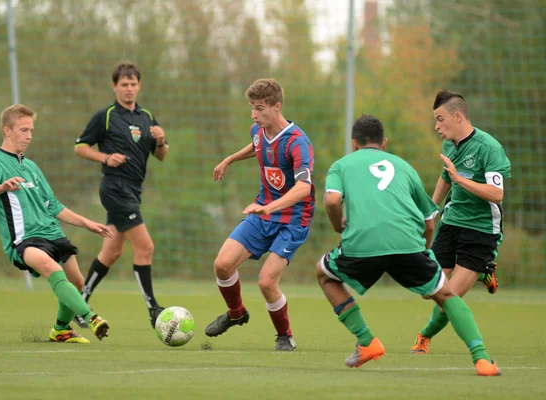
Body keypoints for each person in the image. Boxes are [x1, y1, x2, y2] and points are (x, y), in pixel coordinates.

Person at [316, 115, 501, 376]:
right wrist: (425, 251)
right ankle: (482, 359)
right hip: (408, 245)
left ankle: (366, 341)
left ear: (354, 143)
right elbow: (428, 222)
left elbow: (332, 201)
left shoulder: (341, 165)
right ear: (385, 143)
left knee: (324, 275)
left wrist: (338, 227)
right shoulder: (403, 167)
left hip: (361, 246)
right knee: (446, 295)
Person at [0, 104, 111, 343]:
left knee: (77, 282)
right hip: (25, 240)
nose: (29, 135)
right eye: (23, 130)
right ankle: (92, 318)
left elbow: (53, 207)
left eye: (31, 130)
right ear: (7, 131)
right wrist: (1, 187)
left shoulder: (32, 167)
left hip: (52, 233)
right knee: (54, 270)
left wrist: (88, 224)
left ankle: (61, 330)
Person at [204, 78, 315, 351]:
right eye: (252, 108)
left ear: (277, 107)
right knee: (222, 265)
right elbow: (255, 146)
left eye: (260, 108)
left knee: (266, 282)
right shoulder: (257, 130)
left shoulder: (298, 143)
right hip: (262, 212)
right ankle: (236, 313)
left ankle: (284, 336)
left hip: (292, 219)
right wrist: (229, 159)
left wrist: (270, 207)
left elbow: (303, 188)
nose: (254, 114)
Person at [411, 90, 511, 354]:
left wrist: (461, 180)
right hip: (451, 223)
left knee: (448, 299)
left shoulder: (489, 148)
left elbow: (497, 194)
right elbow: (445, 178)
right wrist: (430, 211)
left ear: (457, 116)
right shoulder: (449, 145)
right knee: (426, 288)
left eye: (440, 119)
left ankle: (424, 336)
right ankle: (484, 271)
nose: (436, 126)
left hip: (480, 231)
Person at [74, 61, 169, 328]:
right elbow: (80, 147)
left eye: (133, 84)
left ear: (139, 86)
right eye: (124, 84)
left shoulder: (147, 117)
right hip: (115, 189)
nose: (129, 89)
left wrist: (161, 141)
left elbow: (161, 156)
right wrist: (105, 157)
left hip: (133, 192)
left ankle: (80, 305)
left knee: (112, 252)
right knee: (146, 247)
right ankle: (153, 308)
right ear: (114, 86)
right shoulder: (105, 116)